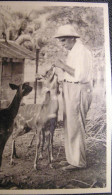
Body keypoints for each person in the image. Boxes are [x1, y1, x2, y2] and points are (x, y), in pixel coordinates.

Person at [54, 24, 92, 171]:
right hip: (70, 88)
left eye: (63, 40)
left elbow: (80, 76)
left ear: (72, 38)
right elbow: (69, 74)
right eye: (60, 41)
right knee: (69, 124)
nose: (62, 44)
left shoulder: (82, 52)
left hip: (79, 89)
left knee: (76, 125)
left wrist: (62, 65)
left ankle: (79, 162)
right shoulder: (73, 52)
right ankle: (71, 158)